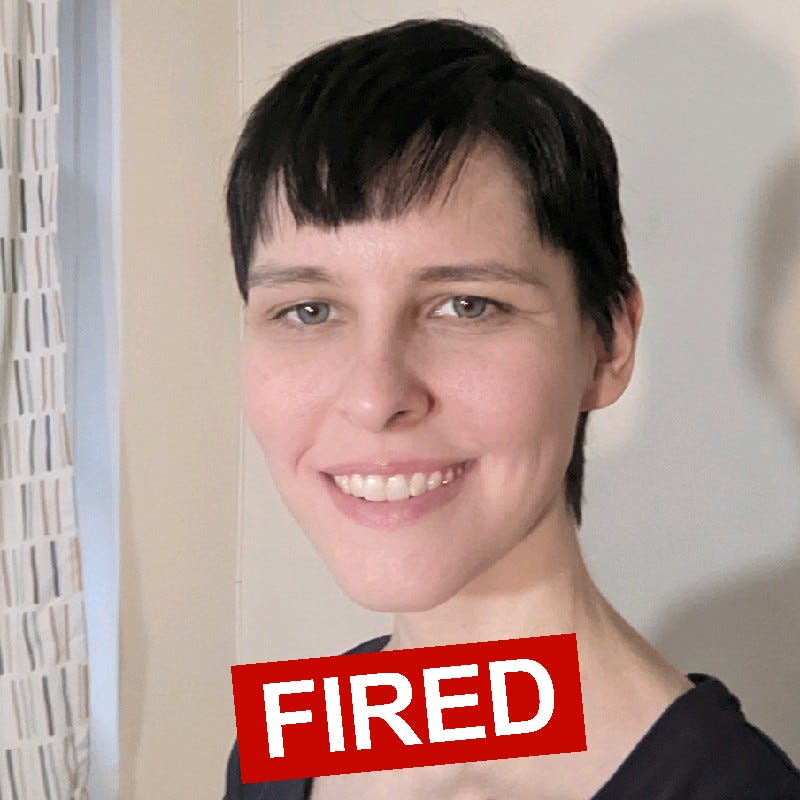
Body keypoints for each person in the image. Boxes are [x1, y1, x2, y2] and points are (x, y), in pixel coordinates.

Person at [222, 17, 800, 800]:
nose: (375, 396)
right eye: (309, 311)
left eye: (466, 305)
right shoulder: (298, 739)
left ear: (609, 342)